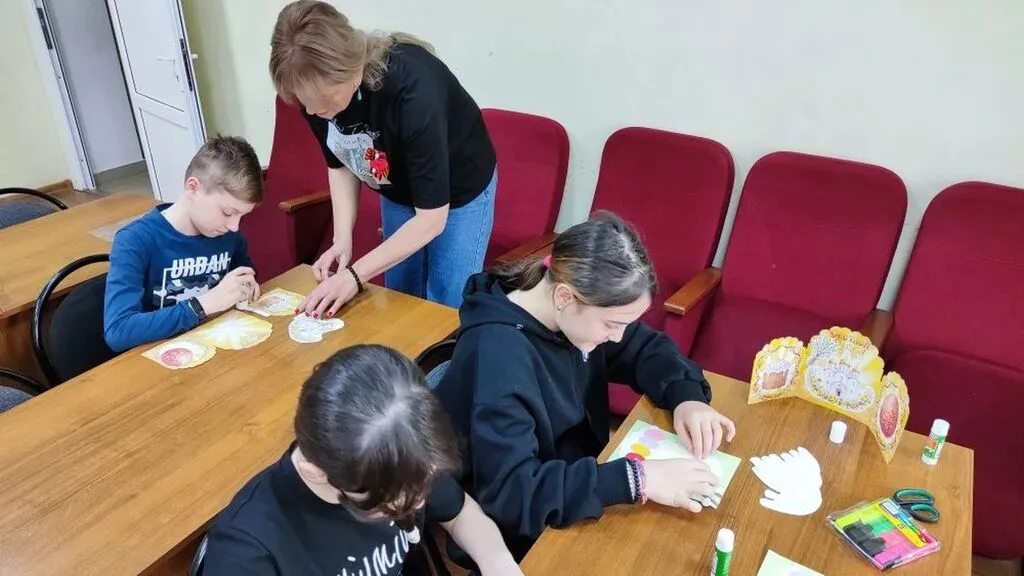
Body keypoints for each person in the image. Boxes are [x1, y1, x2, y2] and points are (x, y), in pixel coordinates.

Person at [434, 212, 737, 561]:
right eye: (612, 324)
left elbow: (644, 348)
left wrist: (687, 397)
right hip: (525, 529)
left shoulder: (570, 311)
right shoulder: (499, 358)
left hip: (581, 481)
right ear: (565, 296)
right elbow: (513, 493)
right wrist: (637, 480)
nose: (618, 337)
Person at [204, 344, 522, 576]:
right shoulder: (247, 551)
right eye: (390, 505)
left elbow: (460, 513)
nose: (419, 502)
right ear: (316, 472)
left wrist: (497, 561)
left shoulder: (402, 453)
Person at [269, 0, 497, 316]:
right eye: (304, 102)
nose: (312, 111)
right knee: (400, 296)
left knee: (445, 305)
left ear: (352, 72)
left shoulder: (415, 91)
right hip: (397, 185)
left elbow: (431, 220)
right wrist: (341, 238)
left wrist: (355, 276)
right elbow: (339, 162)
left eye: (322, 101)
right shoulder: (313, 96)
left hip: (460, 190)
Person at [103, 135, 262, 352]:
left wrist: (247, 286)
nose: (234, 226)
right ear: (193, 188)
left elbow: (244, 281)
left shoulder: (229, 236)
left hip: (215, 347)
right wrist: (202, 305)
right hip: (160, 356)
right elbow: (118, 331)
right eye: (228, 212)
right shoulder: (135, 241)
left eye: (242, 216)